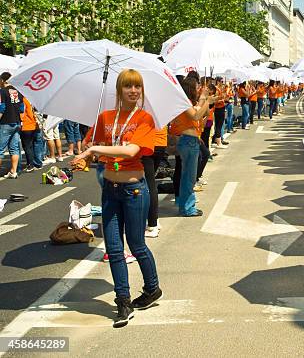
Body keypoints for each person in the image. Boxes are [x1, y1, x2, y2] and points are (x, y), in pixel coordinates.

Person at [72, 69, 162, 328]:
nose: (133, 91)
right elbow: (93, 149)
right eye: (128, 87)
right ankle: (123, 301)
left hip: (134, 191)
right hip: (110, 189)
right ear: (119, 90)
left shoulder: (145, 119)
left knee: (136, 245)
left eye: (137, 87)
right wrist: (84, 158)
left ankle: (152, 288)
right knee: (113, 249)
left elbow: (131, 150)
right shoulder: (104, 117)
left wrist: (94, 149)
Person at [170, 78, 211, 217]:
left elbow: (198, 111)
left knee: (188, 176)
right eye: (196, 86)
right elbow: (196, 115)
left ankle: (187, 205)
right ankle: (187, 208)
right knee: (189, 177)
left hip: (190, 141)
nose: (198, 88)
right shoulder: (184, 102)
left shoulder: (186, 102)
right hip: (188, 141)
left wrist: (204, 98)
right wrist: (208, 101)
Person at [142, 126, 168, 238]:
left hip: (148, 144)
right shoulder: (160, 108)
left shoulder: (144, 110)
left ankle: (153, 224)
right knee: (151, 183)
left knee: (150, 185)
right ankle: (154, 219)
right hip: (161, 143)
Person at [0, 72, 24, 178]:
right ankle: (14, 171)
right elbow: (22, 108)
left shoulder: (2, 92)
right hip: (17, 122)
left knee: (0, 149)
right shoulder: (18, 91)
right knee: (14, 148)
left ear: (2, 80)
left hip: (5, 122)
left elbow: (2, 108)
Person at [19, 96, 43, 172]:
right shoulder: (30, 99)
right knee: (34, 144)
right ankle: (38, 163)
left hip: (26, 125)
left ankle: (30, 164)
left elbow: (22, 113)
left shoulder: (22, 100)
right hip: (34, 124)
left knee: (27, 146)